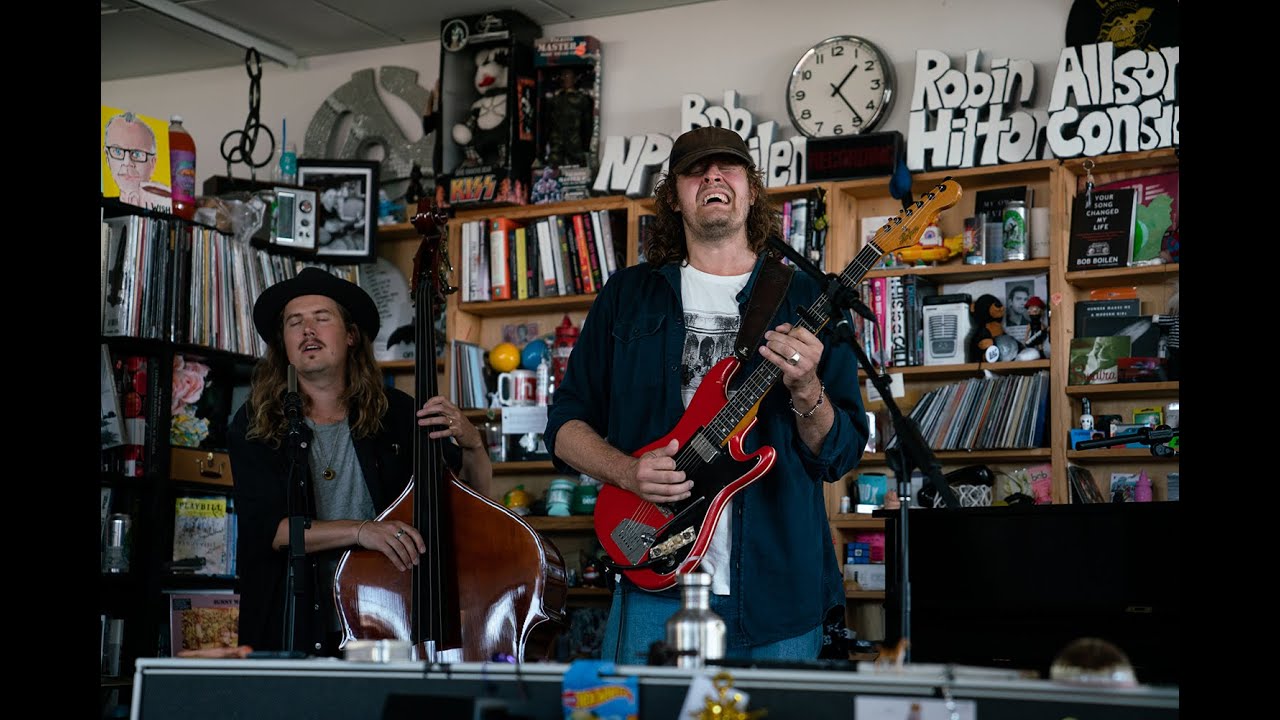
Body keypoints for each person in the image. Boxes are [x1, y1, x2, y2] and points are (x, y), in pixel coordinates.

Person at [544, 126, 868, 663]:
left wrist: (808, 386)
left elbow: (838, 453)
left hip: (778, 586)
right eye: (696, 170)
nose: (713, 177)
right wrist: (626, 471)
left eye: (729, 167)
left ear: (751, 189)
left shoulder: (807, 298)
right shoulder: (628, 295)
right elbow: (564, 425)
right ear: (674, 195)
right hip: (654, 573)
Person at [228, 267, 492, 656]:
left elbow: (474, 507)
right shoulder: (256, 422)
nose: (307, 330)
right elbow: (271, 531)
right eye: (294, 322)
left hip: (392, 615)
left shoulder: (400, 414)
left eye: (322, 318)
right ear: (284, 343)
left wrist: (473, 447)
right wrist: (362, 530)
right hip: (293, 621)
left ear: (351, 335)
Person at [103, 112, 165, 208]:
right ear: (107, 157)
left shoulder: (163, 205)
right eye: (118, 152)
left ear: (152, 163)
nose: (127, 163)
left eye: (137, 154)